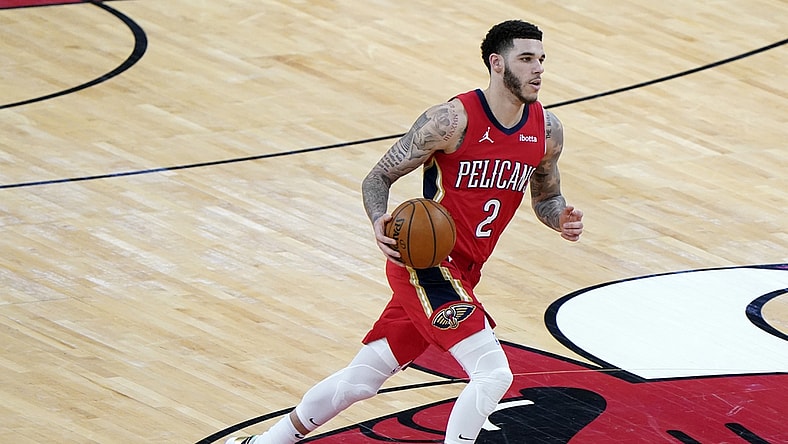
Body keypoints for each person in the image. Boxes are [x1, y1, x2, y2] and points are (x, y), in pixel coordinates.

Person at [226, 19, 584, 444]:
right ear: (496, 63)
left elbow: (546, 196)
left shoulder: (546, 129)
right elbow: (376, 179)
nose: (537, 69)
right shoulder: (451, 120)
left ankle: (265, 442)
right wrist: (378, 218)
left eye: (541, 59)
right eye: (526, 59)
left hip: (465, 273)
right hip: (426, 263)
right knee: (492, 374)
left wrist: (560, 217)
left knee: (362, 381)